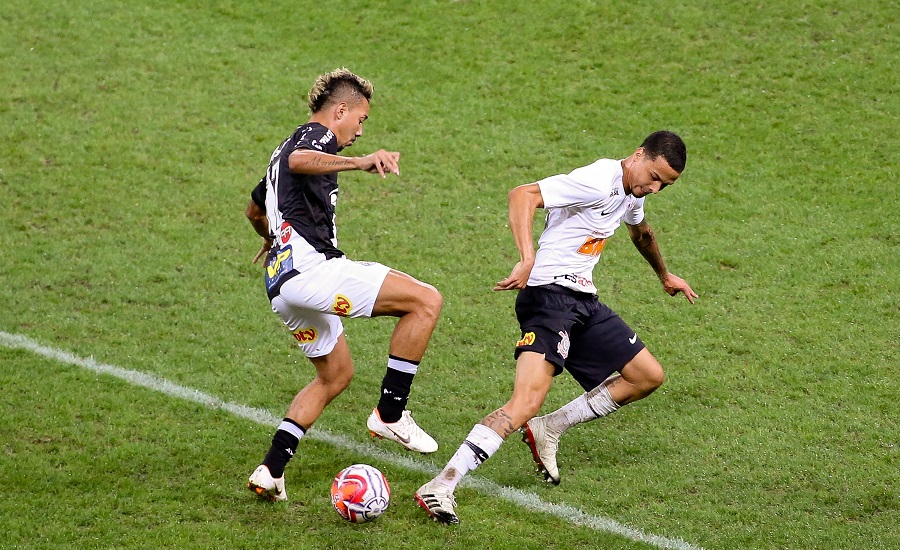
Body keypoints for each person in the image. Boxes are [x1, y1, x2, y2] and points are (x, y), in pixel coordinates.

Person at [415, 130, 697, 524]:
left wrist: (665, 276)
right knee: (524, 401)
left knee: (646, 376)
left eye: (665, 185)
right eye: (654, 176)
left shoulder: (634, 193)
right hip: (548, 298)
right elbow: (522, 195)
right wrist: (527, 258)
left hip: (583, 302)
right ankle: (442, 483)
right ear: (638, 156)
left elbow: (641, 232)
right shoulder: (598, 180)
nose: (655, 188)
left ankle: (550, 428)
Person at [245, 68, 443, 502]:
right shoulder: (312, 140)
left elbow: (255, 210)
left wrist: (270, 240)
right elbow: (302, 161)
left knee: (335, 377)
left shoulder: (277, 154)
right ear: (341, 110)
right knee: (425, 301)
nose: (360, 129)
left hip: (283, 288)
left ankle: (270, 469)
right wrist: (358, 161)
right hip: (313, 271)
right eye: (361, 119)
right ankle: (390, 414)